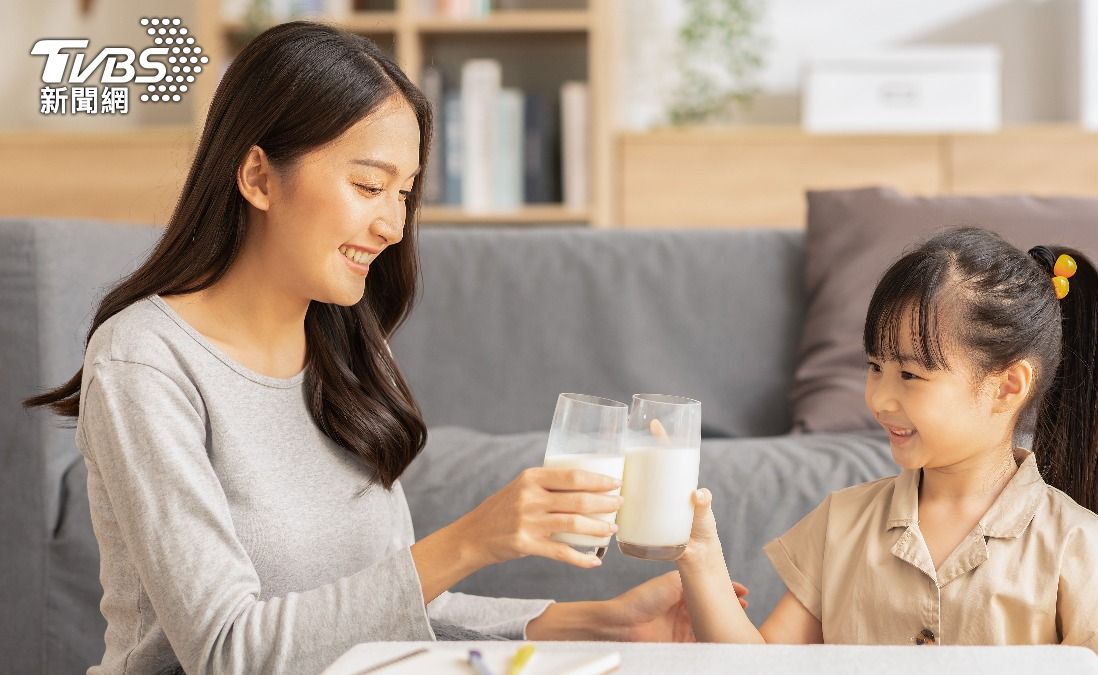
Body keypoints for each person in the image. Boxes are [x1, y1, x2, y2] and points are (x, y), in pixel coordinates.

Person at [24, 22, 743, 675]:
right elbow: (229, 651)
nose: (393, 225)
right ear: (256, 176)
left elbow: (369, 612)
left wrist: (589, 623)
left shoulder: (344, 350)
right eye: (369, 184)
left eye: (404, 193)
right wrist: (470, 538)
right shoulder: (146, 360)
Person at [672, 227, 1098, 675]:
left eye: (910, 374)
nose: (880, 398)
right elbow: (753, 669)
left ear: (1008, 386)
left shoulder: (1077, 545)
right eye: (874, 367)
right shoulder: (840, 524)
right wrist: (698, 554)